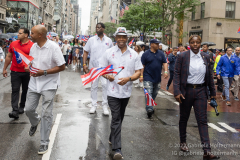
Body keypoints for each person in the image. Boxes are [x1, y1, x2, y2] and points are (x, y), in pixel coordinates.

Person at [173, 35, 220, 160]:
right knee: (184, 118)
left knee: (202, 120)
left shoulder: (206, 56)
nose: (195, 44)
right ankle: (183, 142)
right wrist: (177, 92)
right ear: (189, 44)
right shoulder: (182, 56)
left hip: (200, 92)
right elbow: (176, 74)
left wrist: (213, 93)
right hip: (186, 91)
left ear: (201, 44)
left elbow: (209, 76)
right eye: (193, 42)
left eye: (197, 42)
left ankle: (207, 151)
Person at [99, 27, 143, 159]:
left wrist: (129, 79)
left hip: (126, 92)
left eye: (124, 37)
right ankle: (117, 149)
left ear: (127, 38)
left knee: (120, 118)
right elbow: (102, 70)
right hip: (112, 92)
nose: (121, 39)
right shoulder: (108, 52)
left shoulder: (133, 54)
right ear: (116, 38)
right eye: (119, 37)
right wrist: (108, 77)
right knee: (116, 117)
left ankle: (112, 136)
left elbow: (138, 72)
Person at [24, 25, 65, 154]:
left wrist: (44, 72)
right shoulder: (33, 46)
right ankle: (35, 121)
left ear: (40, 35)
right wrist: (28, 66)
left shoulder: (54, 47)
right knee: (28, 109)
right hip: (34, 83)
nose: (30, 35)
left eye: (32, 33)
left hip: (49, 84)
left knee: (46, 113)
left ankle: (44, 142)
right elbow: (32, 62)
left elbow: (62, 66)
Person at [2, 28, 34, 119]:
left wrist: (31, 67)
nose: (18, 35)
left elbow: (35, 59)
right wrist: (4, 69)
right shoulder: (13, 44)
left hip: (27, 73)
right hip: (15, 71)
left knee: (25, 90)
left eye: (20, 33)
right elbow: (9, 56)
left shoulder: (32, 46)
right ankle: (14, 110)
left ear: (26, 35)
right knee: (15, 90)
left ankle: (22, 106)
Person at [83, 23, 113, 115]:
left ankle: (105, 106)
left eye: (99, 27)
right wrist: (84, 64)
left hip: (105, 68)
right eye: (96, 27)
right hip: (94, 67)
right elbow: (85, 52)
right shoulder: (91, 40)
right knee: (94, 87)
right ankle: (93, 105)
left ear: (103, 29)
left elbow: (112, 54)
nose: (97, 29)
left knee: (105, 86)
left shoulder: (109, 41)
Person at [140, 39, 168, 118]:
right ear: (151, 44)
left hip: (157, 77)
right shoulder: (145, 54)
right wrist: (141, 76)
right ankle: (149, 109)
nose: (158, 45)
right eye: (156, 44)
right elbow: (142, 66)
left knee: (154, 93)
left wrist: (166, 72)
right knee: (149, 92)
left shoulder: (161, 54)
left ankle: (150, 105)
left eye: (158, 43)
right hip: (147, 77)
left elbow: (165, 63)